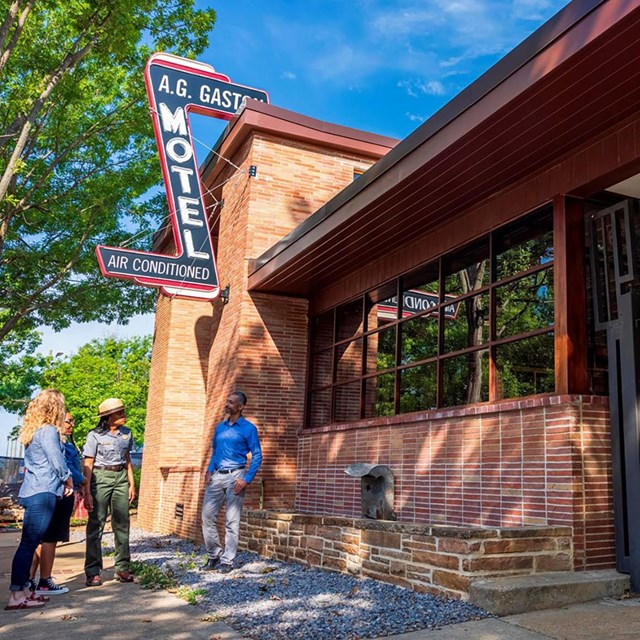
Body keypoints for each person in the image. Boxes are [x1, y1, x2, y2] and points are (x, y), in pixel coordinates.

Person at [5, 389, 73, 611]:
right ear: (55, 407)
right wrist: (68, 479)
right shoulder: (48, 431)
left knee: (29, 542)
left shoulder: (33, 431)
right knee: (29, 544)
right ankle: (16, 595)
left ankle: (24, 592)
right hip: (43, 493)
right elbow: (56, 459)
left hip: (32, 490)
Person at [202, 391, 262, 573]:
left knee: (231, 520)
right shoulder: (220, 427)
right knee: (207, 516)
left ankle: (227, 560)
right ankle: (214, 555)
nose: (226, 404)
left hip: (236, 475)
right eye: (227, 401)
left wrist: (246, 479)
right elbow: (215, 451)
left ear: (241, 407)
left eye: (231, 402)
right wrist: (209, 470)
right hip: (217, 475)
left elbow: (257, 455)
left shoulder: (248, 428)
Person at [28, 411, 85, 595]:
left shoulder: (58, 441)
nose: (72, 424)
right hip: (59, 493)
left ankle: (30, 580)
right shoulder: (56, 442)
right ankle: (44, 581)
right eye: (69, 421)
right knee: (50, 539)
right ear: (59, 422)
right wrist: (82, 480)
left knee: (41, 539)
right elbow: (65, 468)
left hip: (52, 492)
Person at [83, 397, 136, 586]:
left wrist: (132, 483)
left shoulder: (127, 434)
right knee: (96, 524)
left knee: (122, 523)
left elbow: (127, 458)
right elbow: (88, 463)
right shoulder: (94, 435)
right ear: (108, 417)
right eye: (119, 413)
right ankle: (92, 571)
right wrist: (87, 491)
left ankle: (122, 568)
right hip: (100, 478)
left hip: (120, 478)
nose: (124, 416)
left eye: (123, 411)